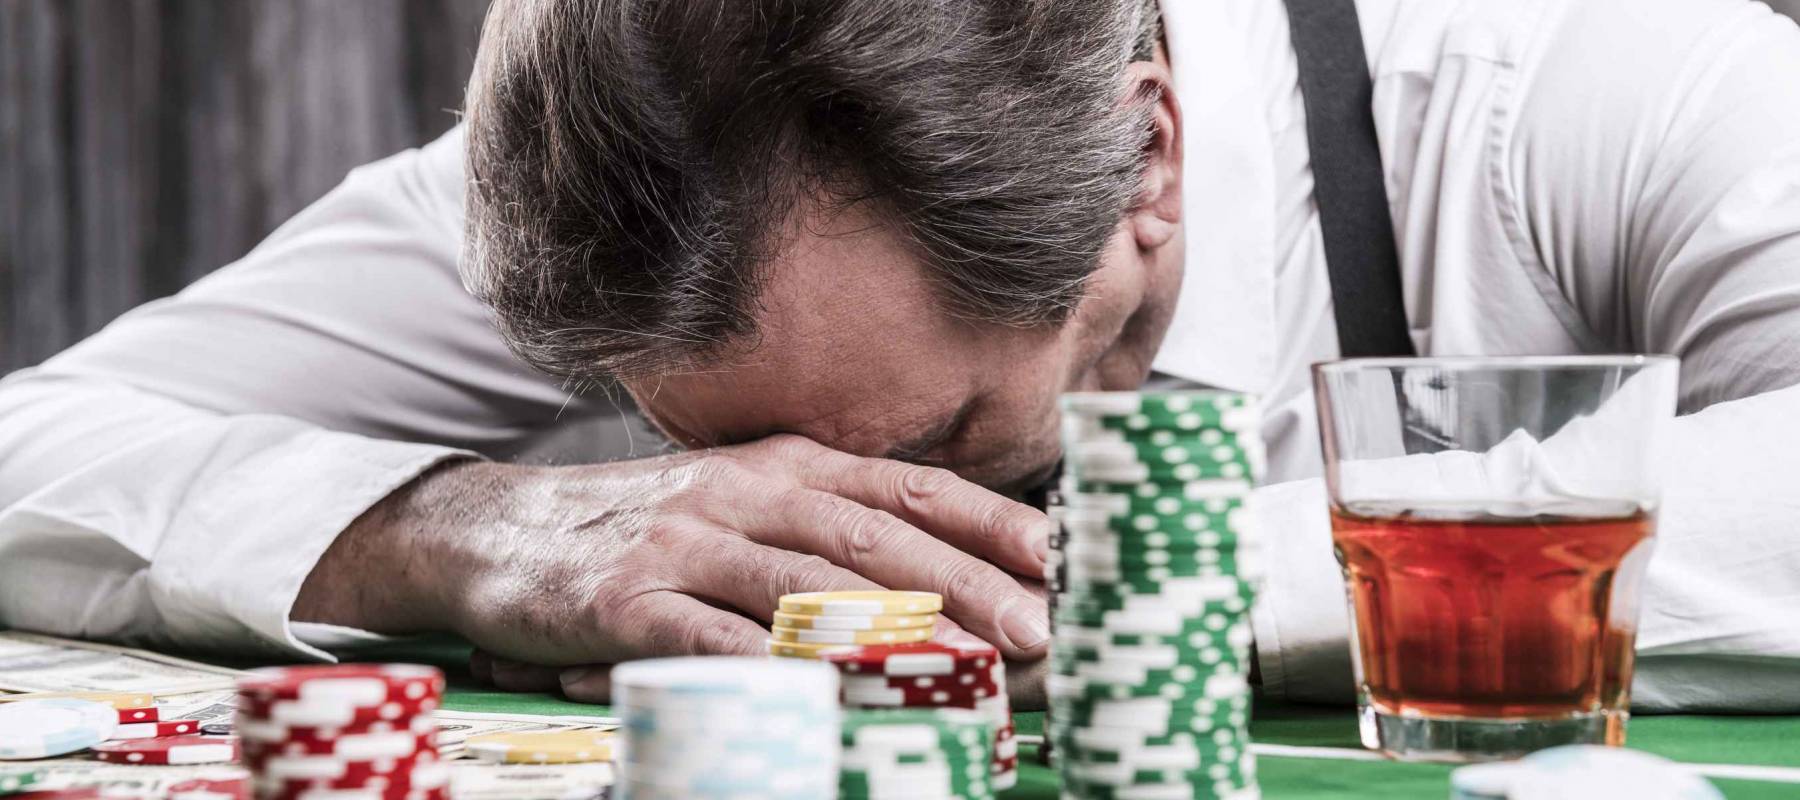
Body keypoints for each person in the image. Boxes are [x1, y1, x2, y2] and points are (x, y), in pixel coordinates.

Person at [4, 0, 1800, 712]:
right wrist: (459, 529)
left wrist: (1127, 594)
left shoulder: (1591, 86)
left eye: (938, 439)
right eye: (723, 453)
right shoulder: (617, 180)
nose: (843, 534)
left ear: (1147, 158)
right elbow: (35, 443)